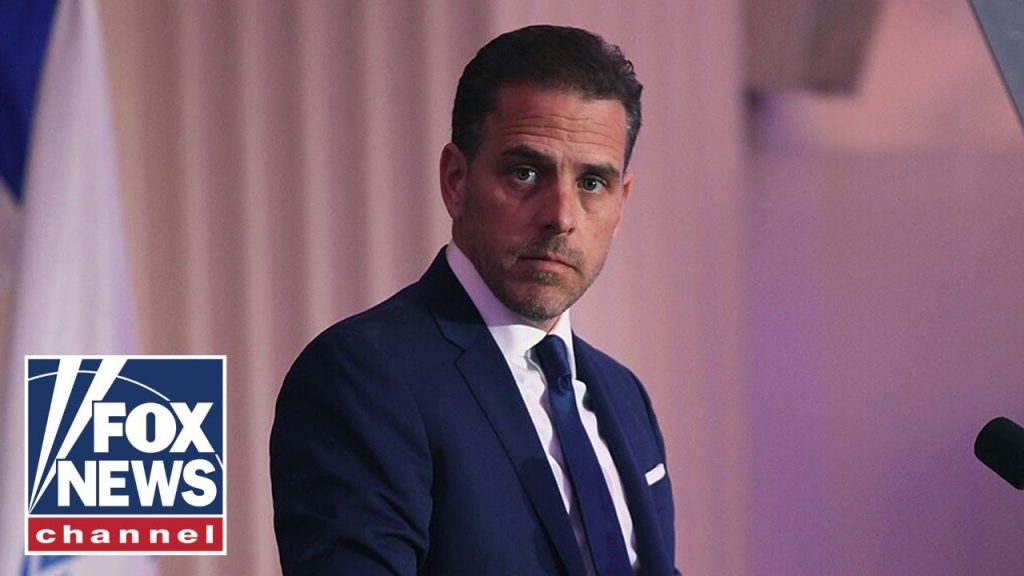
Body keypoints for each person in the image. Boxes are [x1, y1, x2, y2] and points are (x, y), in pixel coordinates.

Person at [270, 24, 679, 576]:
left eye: (591, 183)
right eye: (525, 172)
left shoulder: (625, 396)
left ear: (621, 200)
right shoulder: (363, 377)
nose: (561, 216)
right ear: (456, 180)